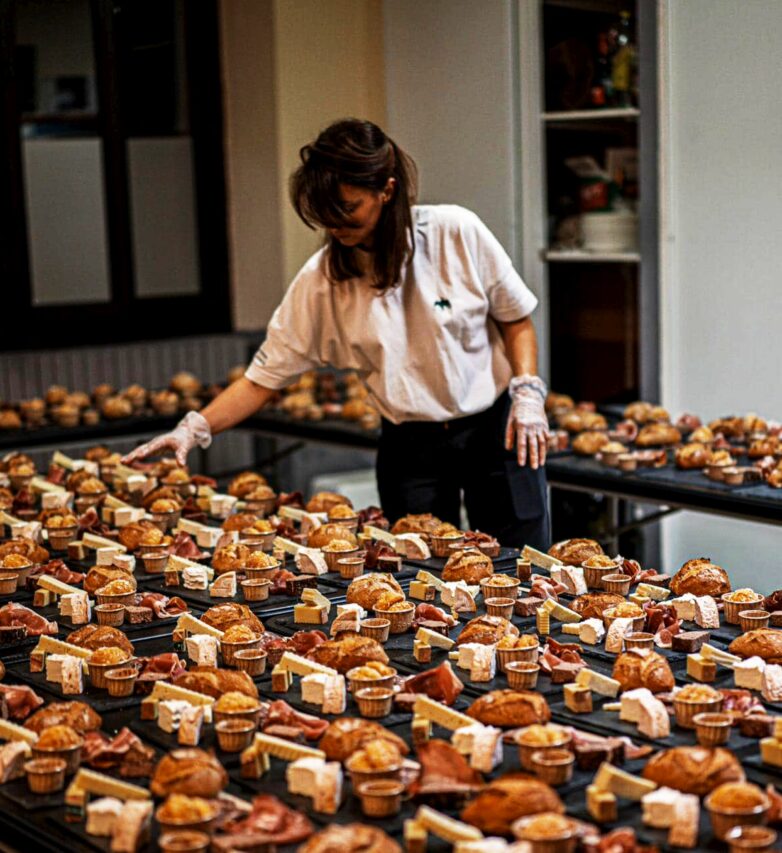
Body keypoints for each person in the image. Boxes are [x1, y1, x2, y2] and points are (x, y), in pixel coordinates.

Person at [123, 119, 550, 548]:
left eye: (347, 208)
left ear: (387, 189)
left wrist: (528, 392)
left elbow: (515, 320)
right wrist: (193, 427)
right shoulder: (322, 279)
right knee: (426, 579)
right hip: (411, 445)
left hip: (497, 428)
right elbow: (263, 379)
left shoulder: (455, 232)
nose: (335, 225)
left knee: (520, 564)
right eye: (323, 214)